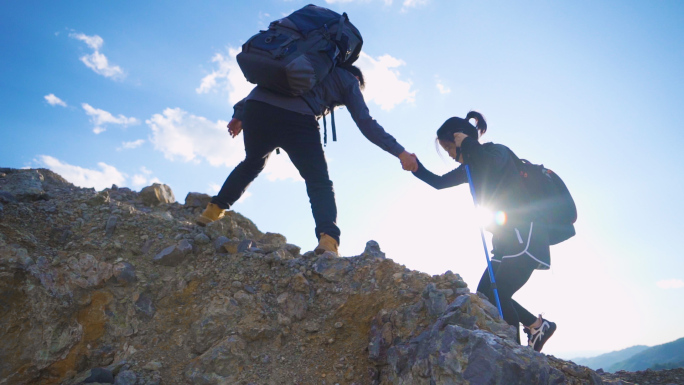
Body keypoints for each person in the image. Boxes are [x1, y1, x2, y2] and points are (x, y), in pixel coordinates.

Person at [196, 64, 418, 256]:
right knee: (318, 180)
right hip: (297, 117)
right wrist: (400, 152)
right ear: (357, 79)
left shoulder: (302, 65)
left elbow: (265, 87)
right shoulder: (348, 79)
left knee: (252, 162)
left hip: (257, 108)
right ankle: (328, 241)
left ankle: (210, 214)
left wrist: (239, 113)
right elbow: (365, 122)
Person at [410, 111, 556, 352]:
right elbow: (439, 183)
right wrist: (417, 168)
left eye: (449, 148)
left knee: (501, 292)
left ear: (460, 138)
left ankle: (522, 344)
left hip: (526, 235)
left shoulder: (496, 152)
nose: (449, 154)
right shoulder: (470, 168)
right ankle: (533, 329)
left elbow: (491, 165)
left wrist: (468, 145)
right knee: (486, 295)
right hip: (506, 242)